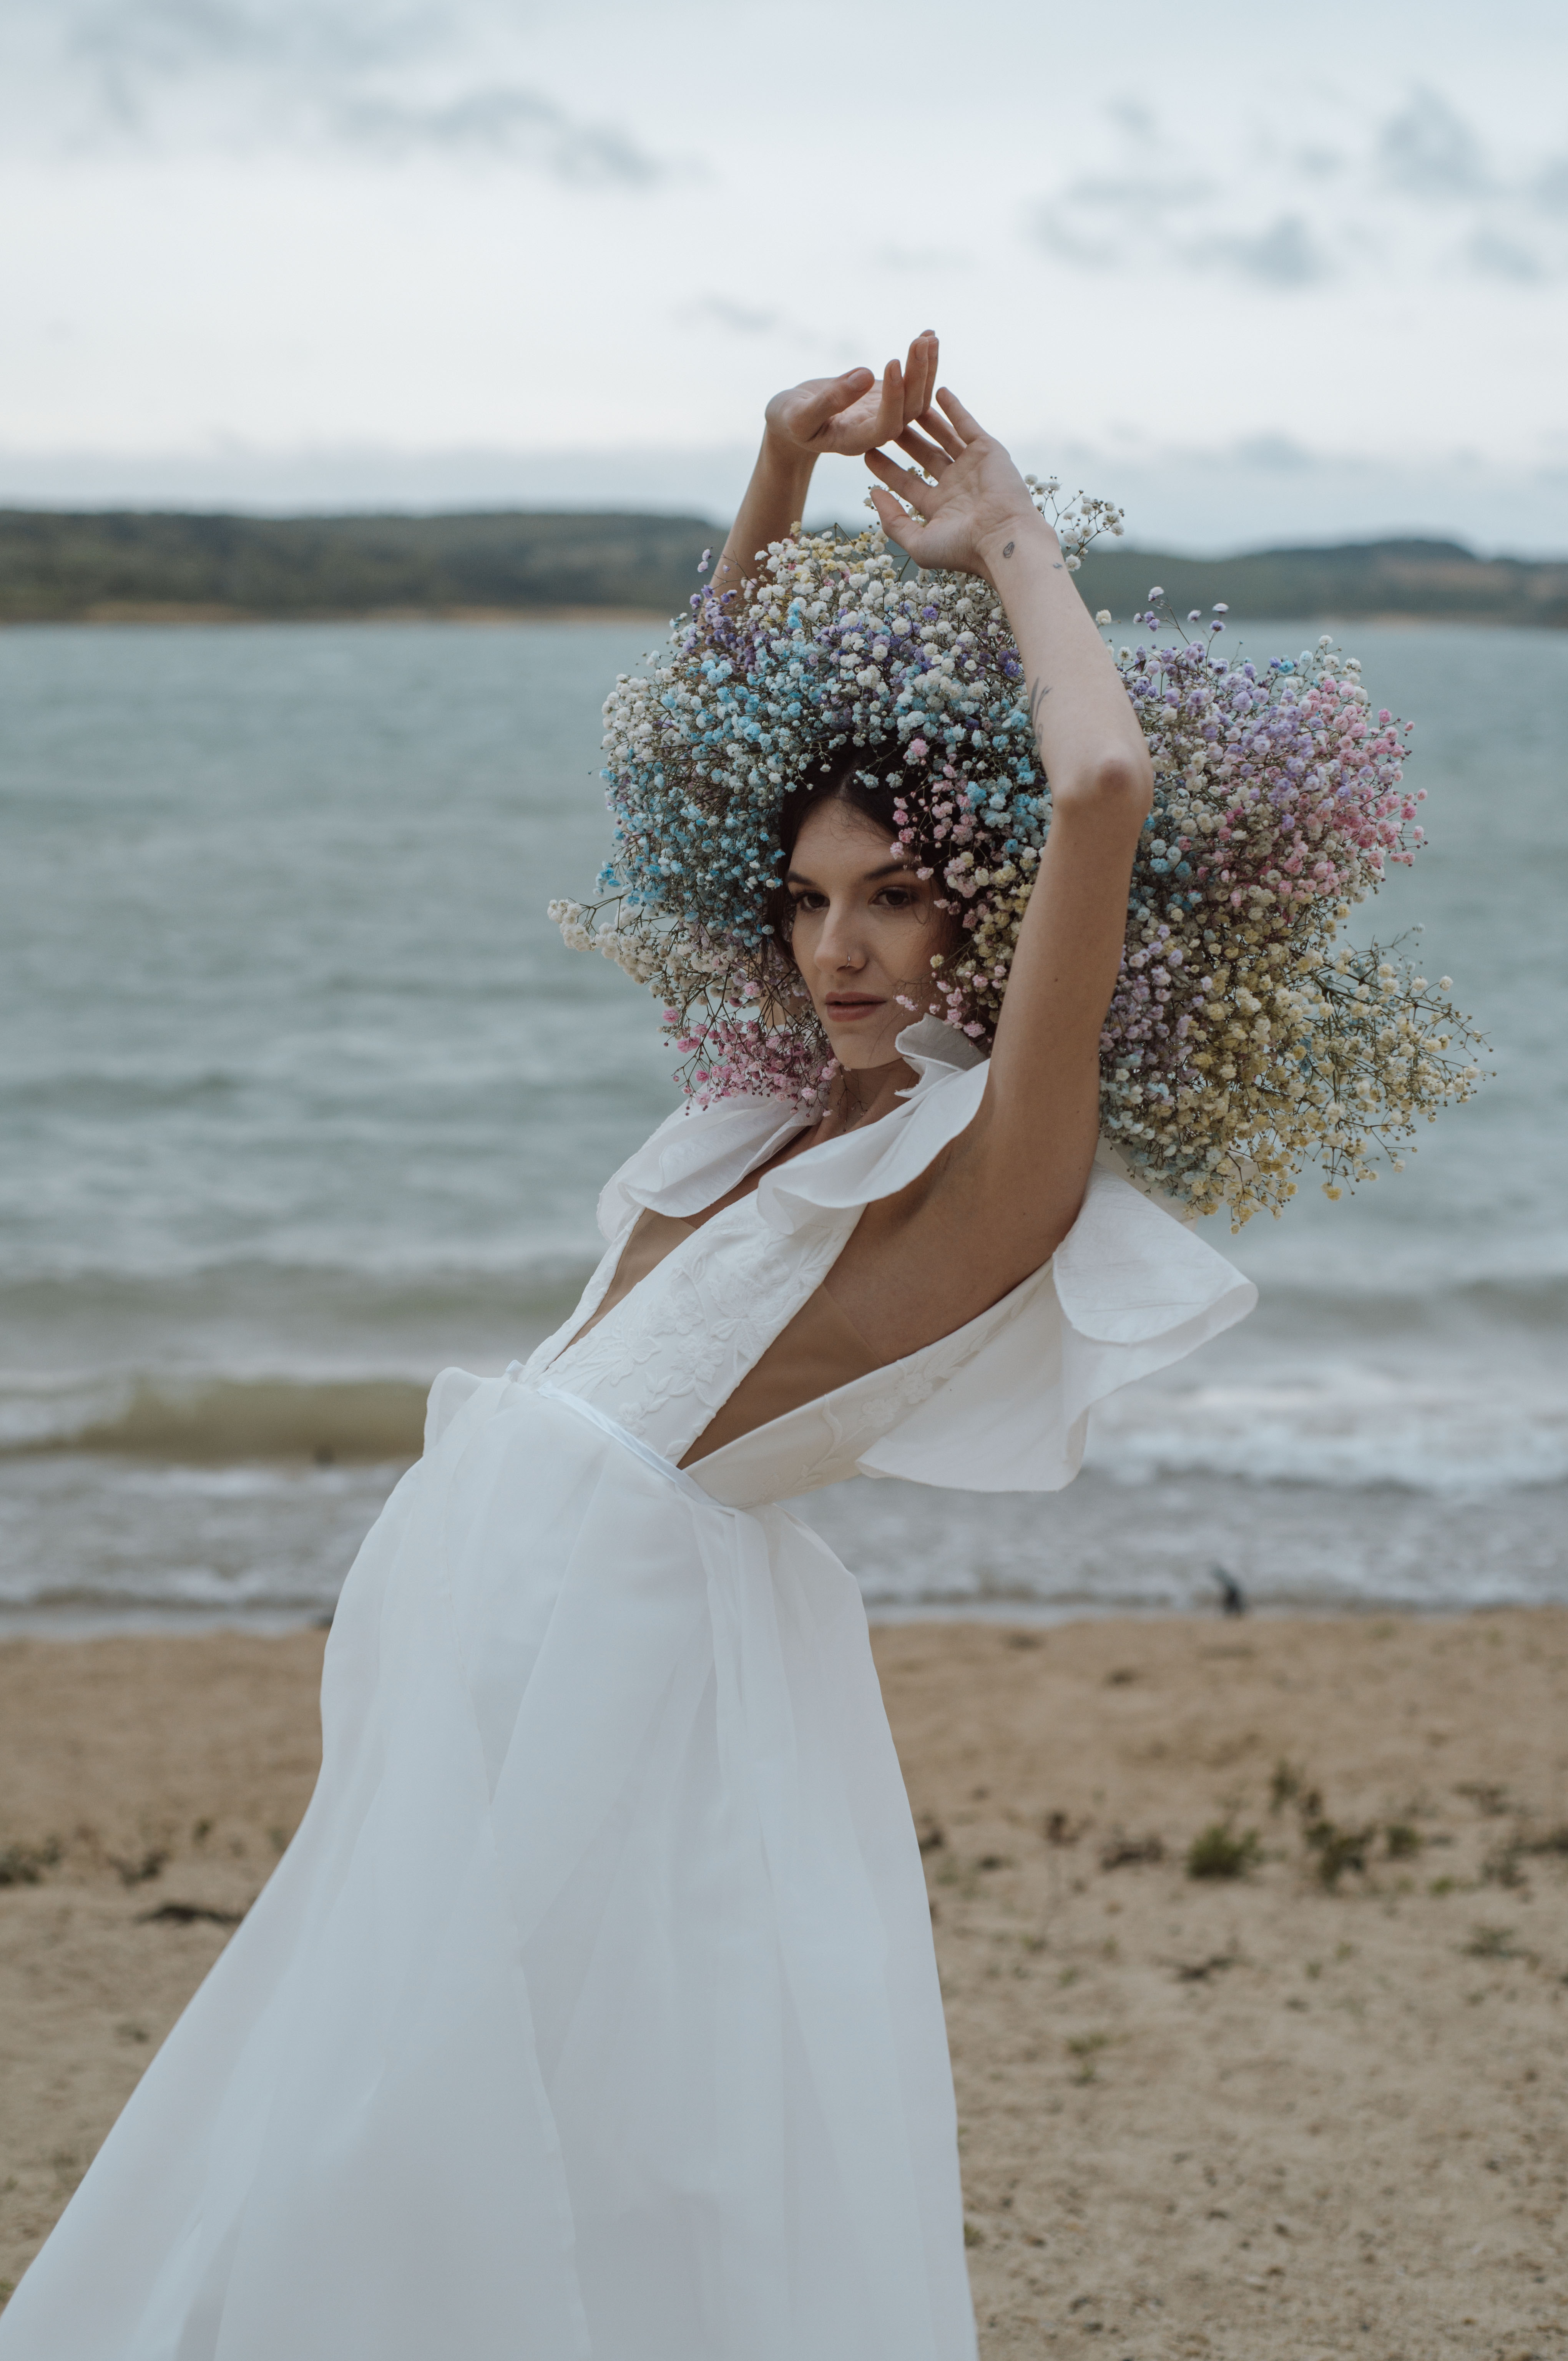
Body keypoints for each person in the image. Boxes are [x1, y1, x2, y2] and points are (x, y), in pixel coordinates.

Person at [0, 334, 1254, 2361]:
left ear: (983, 916)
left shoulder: (982, 1178)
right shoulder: (770, 1105)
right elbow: (685, 762)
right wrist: (771, 477)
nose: (839, 948)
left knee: (423, 2153)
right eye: (809, 901)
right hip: (472, 1643)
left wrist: (1009, 533)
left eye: (894, 901)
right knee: (356, 2123)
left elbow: (1100, 784)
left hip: (612, 1667)